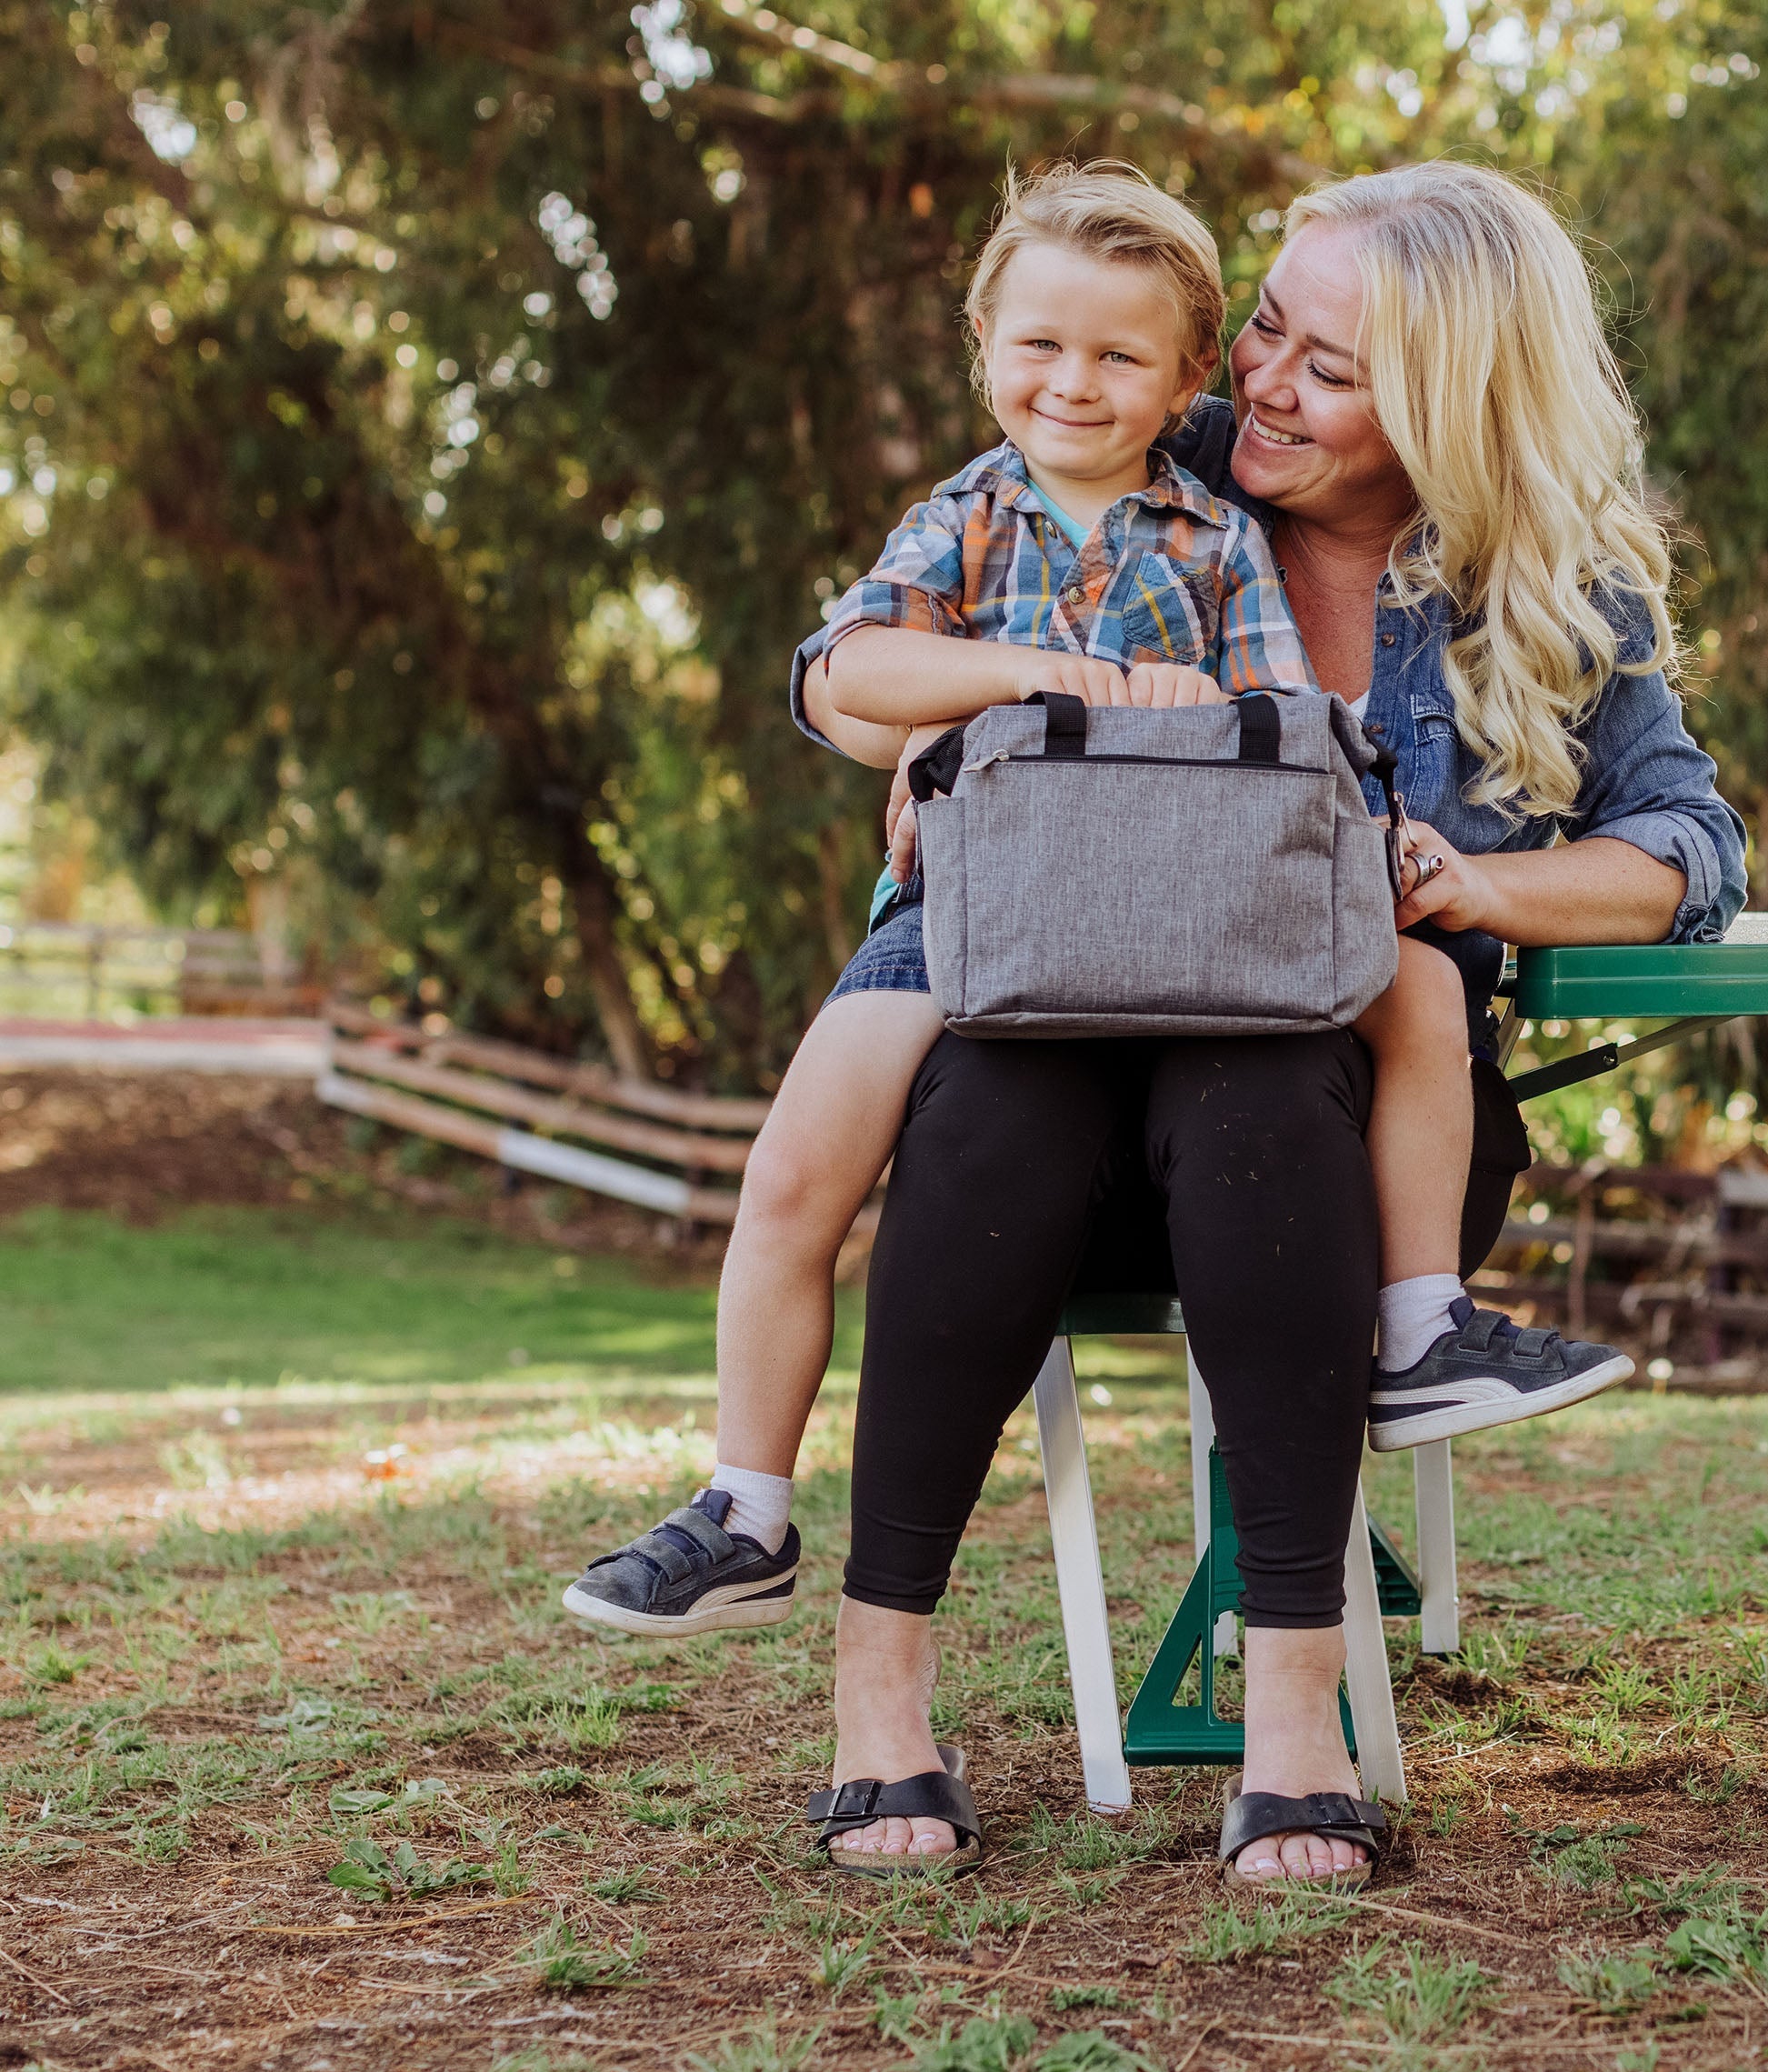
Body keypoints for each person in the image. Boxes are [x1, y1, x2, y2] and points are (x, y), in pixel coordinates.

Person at [557, 162, 1633, 1657]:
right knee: (800, 1160)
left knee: (1428, 987)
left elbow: (1289, 730)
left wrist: (1394, 838)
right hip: (976, 913)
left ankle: (1420, 1322)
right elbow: (846, 672)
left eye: (1127, 360)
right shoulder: (972, 516)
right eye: (1268, 335)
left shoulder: (1217, 533)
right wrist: (1026, 688)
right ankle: (744, 1503)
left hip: (1203, 926)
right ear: (987, 344)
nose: (1082, 384)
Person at [814, 162, 1744, 1883]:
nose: (1259, 380)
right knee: (989, 1104)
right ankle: (881, 1705)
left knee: (1261, 1099)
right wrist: (984, 733)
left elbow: (1689, 847)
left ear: (1451, 409)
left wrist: (1467, 885)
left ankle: (1294, 1727)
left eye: (1328, 368)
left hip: (1355, 1126)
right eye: (1264, 330)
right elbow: (867, 668)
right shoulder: (1116, 482)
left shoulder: (1536, 603)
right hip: (1069, 1065)